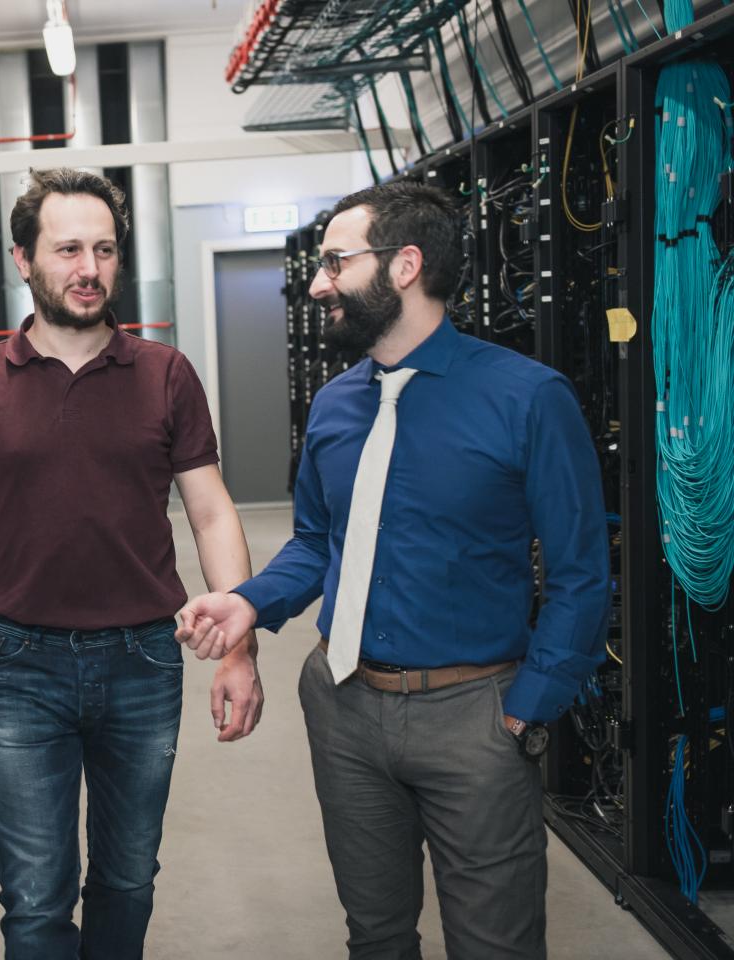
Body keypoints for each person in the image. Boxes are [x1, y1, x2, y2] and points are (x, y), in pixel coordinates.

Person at [177, 181, 609, 959]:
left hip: (475, 714)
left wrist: (525, 710)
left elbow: (581, 573)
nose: (318, 282)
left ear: (405, 265)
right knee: (375, 935)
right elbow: (316, 542)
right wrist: (248, 603)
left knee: (494, 945)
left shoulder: (528, 398)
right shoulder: (338, 405)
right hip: (344, 707)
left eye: (336, 262)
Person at [0, 166, 262, 959]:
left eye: (104, 249)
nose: (89, 268)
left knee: (128, 880)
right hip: (21, 663)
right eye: (68, 248)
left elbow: (211, 512)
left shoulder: (166, 375)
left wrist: (239, 649)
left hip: (144, 658)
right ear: (23, 259)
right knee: (35, 901)